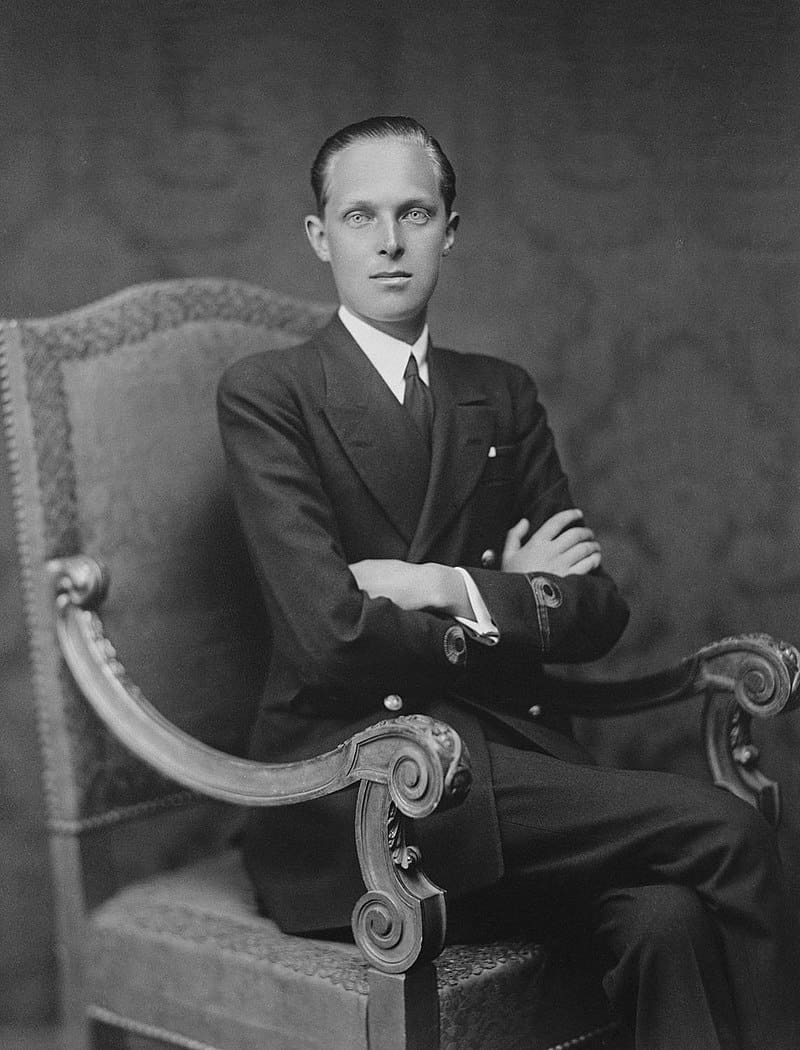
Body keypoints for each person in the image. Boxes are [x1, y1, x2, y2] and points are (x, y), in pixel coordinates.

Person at [217, 115, 800, 1049]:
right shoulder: (270, 394)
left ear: (451, 227)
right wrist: (517, 598)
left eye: (415, 211)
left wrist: (439, 585)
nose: (390, 240)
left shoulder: (502, 393)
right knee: (726, 831)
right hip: (367, 789)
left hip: (514, 767)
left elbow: (598, 612)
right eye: (360, 216)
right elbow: (330, 640)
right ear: (320, 237)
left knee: (668, 919)